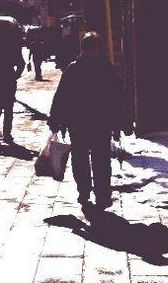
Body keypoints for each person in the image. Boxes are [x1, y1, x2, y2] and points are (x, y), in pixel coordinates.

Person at [48, 31, 131, 215]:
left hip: (83, 124)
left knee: (86, 160)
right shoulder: (105, 68)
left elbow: (61, 97)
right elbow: (118, 96)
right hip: (96, 124)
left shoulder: (74, 69)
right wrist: (124, 121)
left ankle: (91, 193)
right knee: (95, 160)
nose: (92, 53)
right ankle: (93, 193)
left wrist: (56, 119)